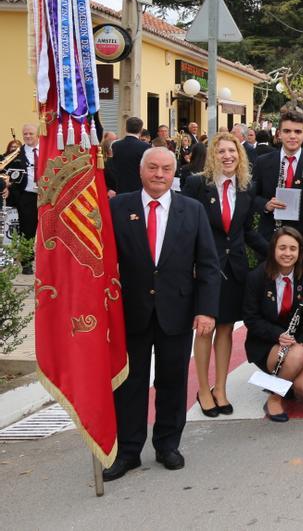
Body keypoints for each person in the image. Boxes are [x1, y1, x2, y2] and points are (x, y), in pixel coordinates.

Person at [103, 147, 221, 481]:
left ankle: (168, 444)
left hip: (178, 312)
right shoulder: (117, 208)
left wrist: (207, 310)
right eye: (153, 168)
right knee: (130, 383)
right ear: (141, 172)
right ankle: (128, 451)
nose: (159, 175)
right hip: (131, 311)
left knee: (171, 381)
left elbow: (209, 265)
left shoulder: (193, 210)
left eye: (166, 169)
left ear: (174, 173)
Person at [182, 131, 269, 417]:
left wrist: (275, 255)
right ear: (213, 156)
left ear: (240, 155)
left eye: (232, 151)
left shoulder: (245, 187)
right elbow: (186, 228)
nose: (228, 156)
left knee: (226, 329)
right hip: (206, 269)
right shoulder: (196, 184)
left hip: (235, 269)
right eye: (221, 152)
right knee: (205, 328)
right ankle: (204, 389)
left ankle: (221, 388)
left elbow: (246, 232)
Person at [243, 227, 303, 422]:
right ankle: (274, 398)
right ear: (273, 250)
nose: (287, 253)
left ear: (300, 252)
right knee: (297, 357)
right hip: (267, 343)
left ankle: (285, 379)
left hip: (298, 345)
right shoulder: (257, 277)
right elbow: (251, 318)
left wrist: (301, 344)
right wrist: (277, 335)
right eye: (282, 248)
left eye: (293, 249)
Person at [251, 110, 303, 239]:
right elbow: (251, 196)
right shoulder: (262, 162)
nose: (292, 136)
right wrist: (266, 205)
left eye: (297, 132)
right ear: (279, 134)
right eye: (287, 131)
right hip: (269, 237)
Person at [12, 124, 40, 273]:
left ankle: (49, 263)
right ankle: (27, 264)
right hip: (27, 196)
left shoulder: (48, 150)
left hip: (47, 196)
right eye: (25, 134)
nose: (28, 136)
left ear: (38, 135)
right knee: (27, 230)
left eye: (31, 133)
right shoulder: (17, 153)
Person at [109, 117, 151, 196]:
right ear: (141, 130)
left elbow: (113, 166)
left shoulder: (115, 145)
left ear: (125, 128)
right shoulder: (145, 146)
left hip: (120, 188)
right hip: (139, 188)